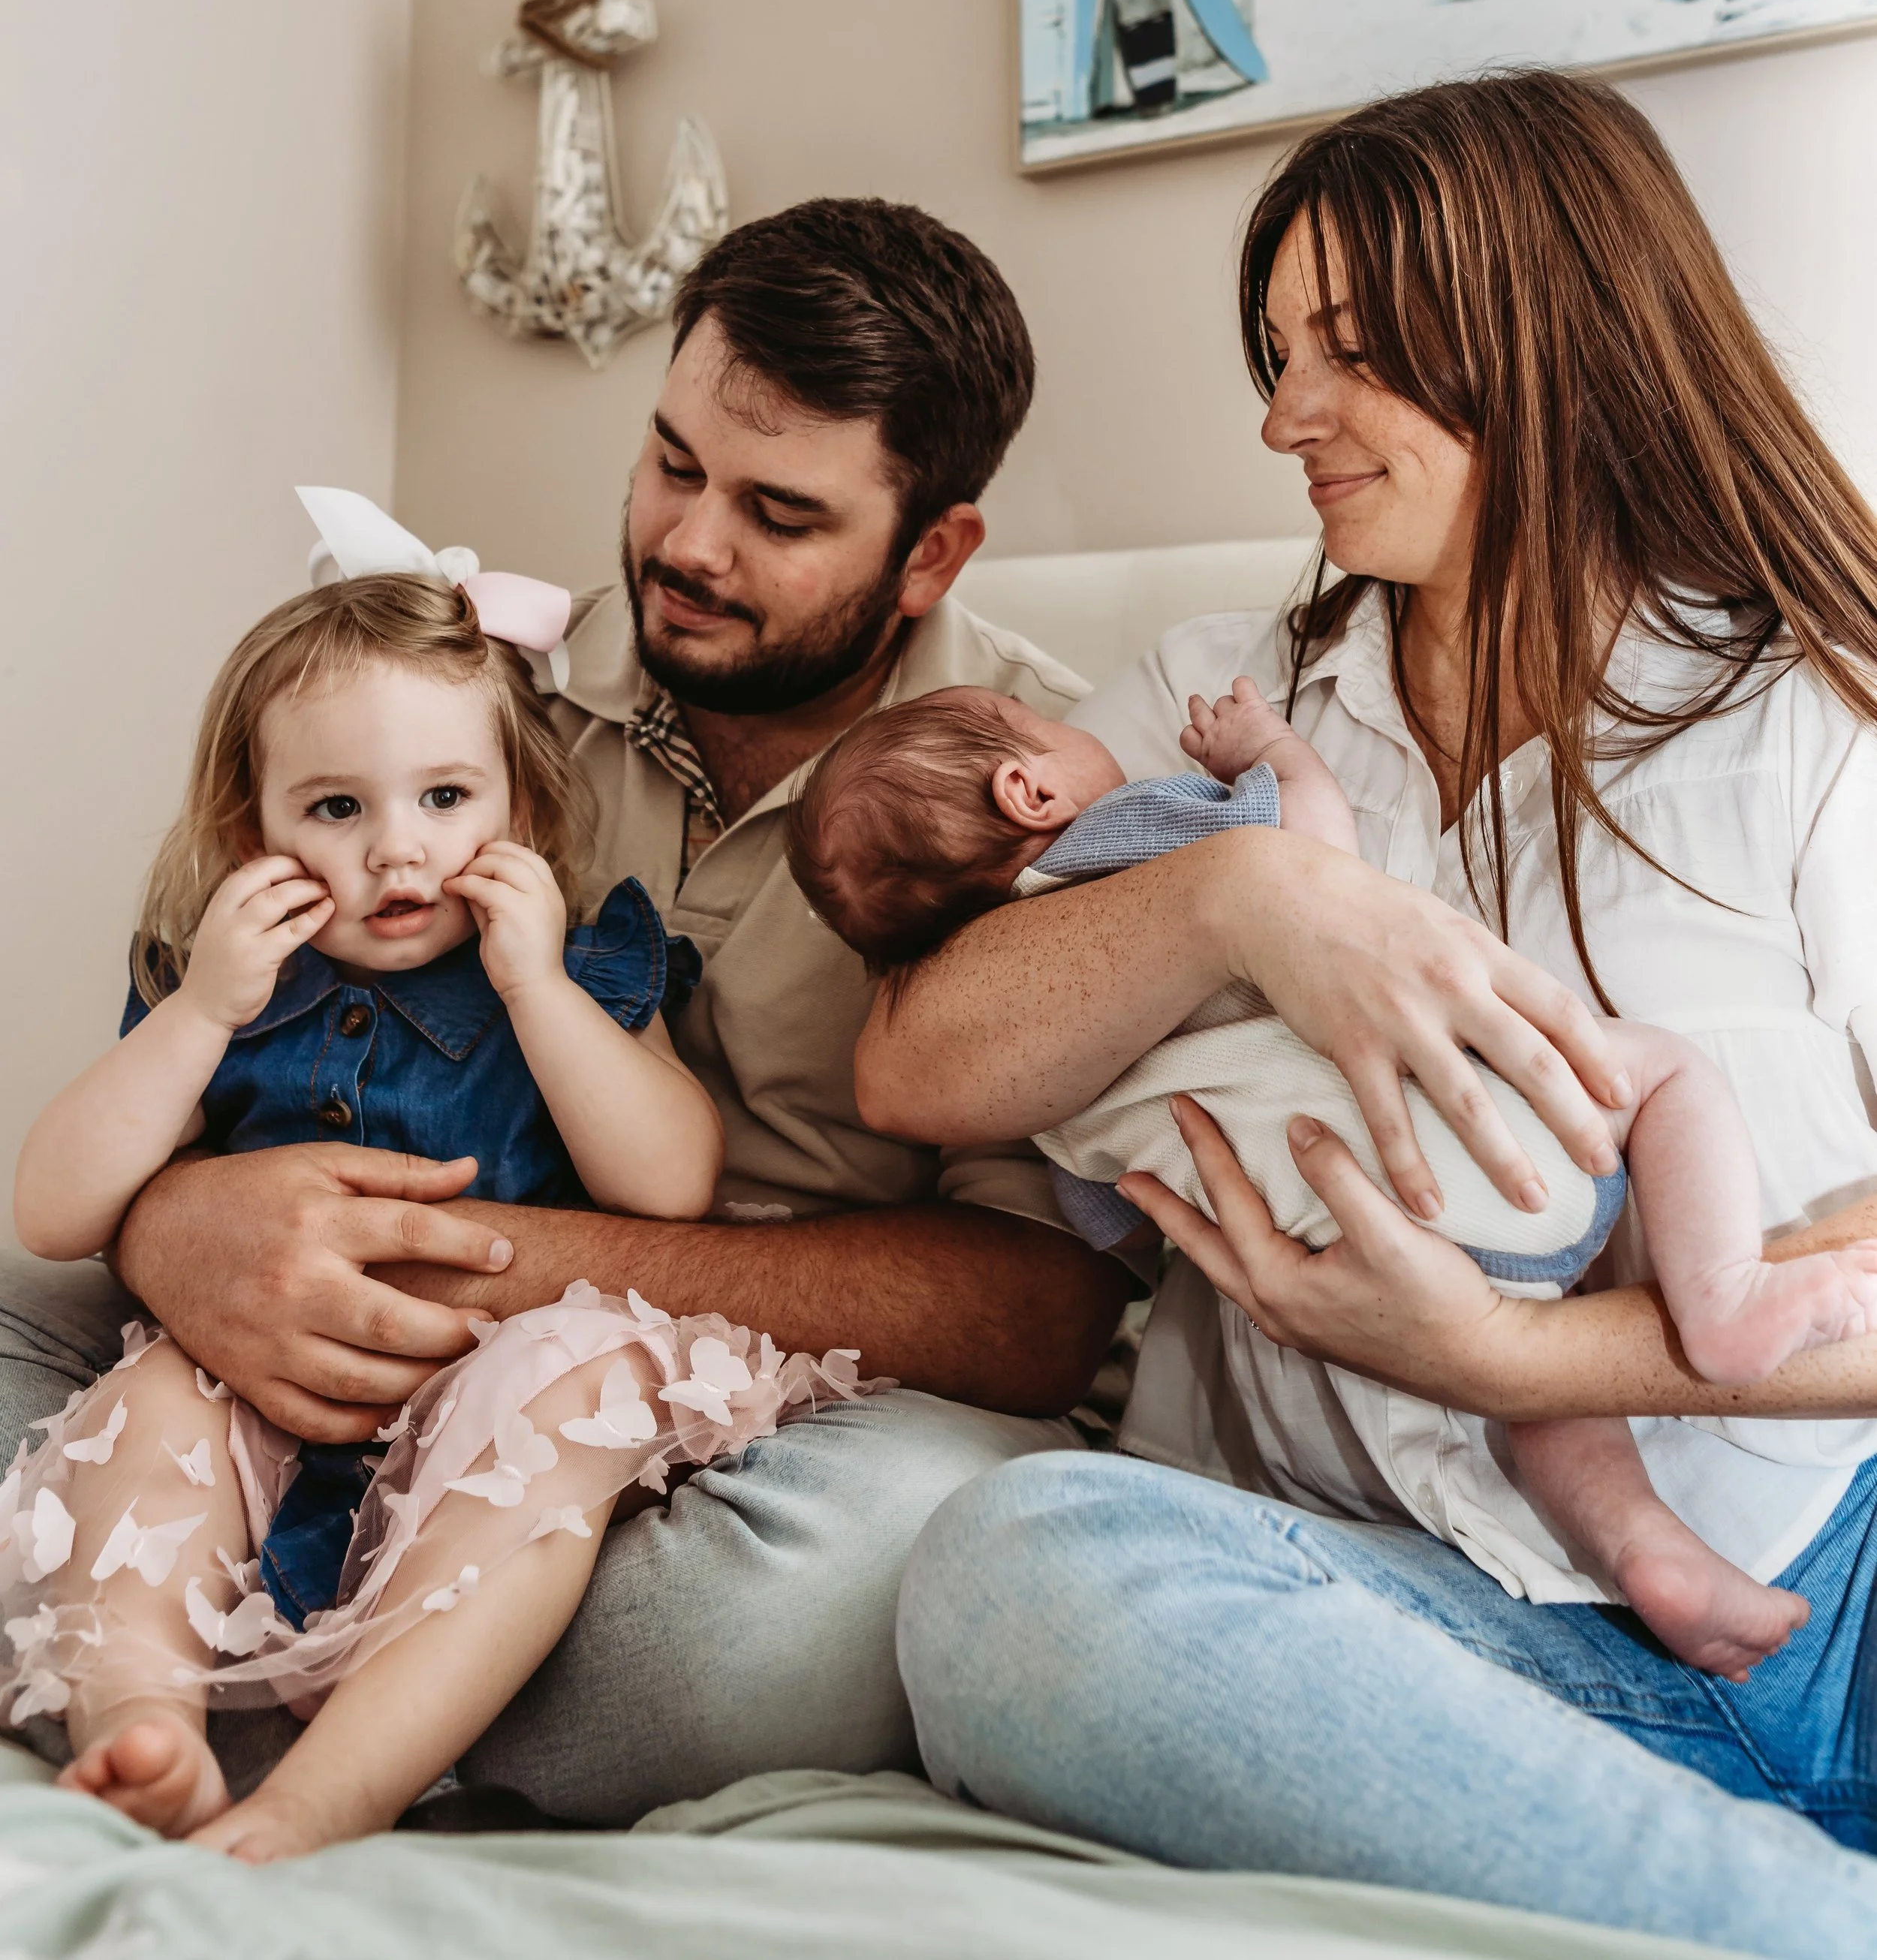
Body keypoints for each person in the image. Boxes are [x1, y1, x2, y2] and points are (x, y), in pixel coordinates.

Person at [862, 75, 1877, 1956]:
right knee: (1012, 1579)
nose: (1276, 418)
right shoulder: (1215, 705)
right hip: (1412, 1635)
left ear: (1551, 327)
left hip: (1817, 1580)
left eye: (1345, 350)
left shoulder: (1814, 717)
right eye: (1271, 352)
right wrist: (1249, 892)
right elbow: (926, 1064)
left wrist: (1523, 1364)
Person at [0, 198, 1134, 1820]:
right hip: (337, 1330)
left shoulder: (1023, 791)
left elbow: (1040, 1316)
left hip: (791, 1405)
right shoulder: (471, 696)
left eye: (778, 512)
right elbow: (195, 1043)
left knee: (713, 1647)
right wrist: (182, 1227)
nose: (687, 543)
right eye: (671, 462)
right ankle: (202, 1686)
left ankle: (328, 1694)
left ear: (929, 553)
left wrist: (501, 1272)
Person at [4, 563, 871, 1859]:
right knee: (154, 1406)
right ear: (257, 832)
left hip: (495, 1376)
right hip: (274, 1378)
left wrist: (540, 993)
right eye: (336, 808)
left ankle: (331, 1791)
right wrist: (198, 1014)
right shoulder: (231, 988)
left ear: (517, 804)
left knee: (566, 1389)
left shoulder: (577, 965)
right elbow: (54, 1210)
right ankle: (144, 1723)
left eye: (447, 798)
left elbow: (671, 1182)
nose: (397, 849)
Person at [793, 674, 1877, 1677]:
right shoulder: (1131, 837)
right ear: (1028, 788)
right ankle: (1725, 1300)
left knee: (1527, 1388)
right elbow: (1311, 852)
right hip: (1495, 1145)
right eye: (1038, 712)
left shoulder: (1055, 1082)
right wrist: (1266, 754)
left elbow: (1115, 1214)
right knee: (1660, 1074)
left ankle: (1646, 1550)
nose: (1076, 711)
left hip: (1355, 1262)